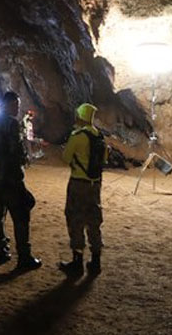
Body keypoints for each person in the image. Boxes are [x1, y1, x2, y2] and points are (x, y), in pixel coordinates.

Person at [0, 91, 41, 270]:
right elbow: (16, 151)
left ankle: (1, 252)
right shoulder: (12, 124)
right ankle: (24, 257)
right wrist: (23, 160)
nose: (17, 108)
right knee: (21, 216)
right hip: (10, 179)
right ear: (7, 105)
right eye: (15, 105)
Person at [58, 103, 108, 276]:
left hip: (78, 183)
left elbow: (66, 158)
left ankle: (77, 261)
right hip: (95, 185)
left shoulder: (77, 136)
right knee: (94, 220)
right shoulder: (100, 136)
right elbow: (104, 159)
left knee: (75, 219)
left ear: (80, 116)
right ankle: (96, 261)